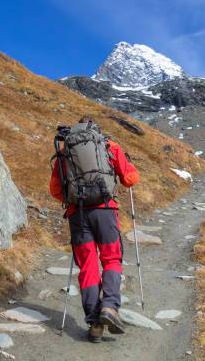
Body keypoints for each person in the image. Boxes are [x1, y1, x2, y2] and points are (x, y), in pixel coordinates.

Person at [50, 116, 139, 343]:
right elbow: (130, 179)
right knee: (111, 259)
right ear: (95, 129)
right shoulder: (109, 145)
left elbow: (55, 190)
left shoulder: (64, 150)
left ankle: (94, 323)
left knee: (88, 265)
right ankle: (109, 307)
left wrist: (75, 198)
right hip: (106, 212)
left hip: (78, 215)